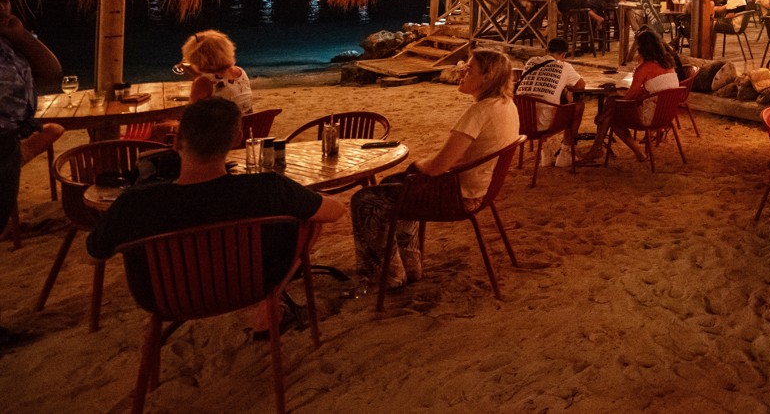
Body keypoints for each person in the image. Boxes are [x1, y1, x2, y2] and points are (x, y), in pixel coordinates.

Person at [86, 97, 346, 337]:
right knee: (308, 218)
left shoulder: (134, 203)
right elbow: (334, 212)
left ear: (176, 141)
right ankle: (269, 307)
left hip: (164, 301)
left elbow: (94, 254)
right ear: (236, 139)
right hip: (250, 288)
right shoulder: (267, 188)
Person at [351, 49, 519, 290]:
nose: (462, 72)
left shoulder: (480, 112)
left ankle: (388, 275)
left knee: (364, 200)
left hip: (457, 196)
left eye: (469, 69)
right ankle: (408, 265)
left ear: (487, 77)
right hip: (481, 190)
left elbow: (439, 166)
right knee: (392, 183)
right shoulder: (507, 105)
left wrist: (416, 165)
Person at [0, 0, 64, 351]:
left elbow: (52, 71)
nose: (1, 7)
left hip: (7, 144)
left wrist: (21, 35)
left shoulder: (11, 40)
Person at [586, 30, 681, 164]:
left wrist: (616, 96)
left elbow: (631, 97)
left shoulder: (645, 68)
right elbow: (650, 90)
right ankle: (597, 145)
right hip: (667, 115)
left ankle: (600, 144)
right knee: (612, 105)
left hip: (650, 117)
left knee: (611, 114)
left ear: (642, 48)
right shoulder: (668, 65)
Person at [515, 37, 586, 168]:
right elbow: (581, 85)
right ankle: (565, 153)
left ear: (547, 51)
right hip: (545, 123)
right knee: (578, 106)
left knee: (542, 103)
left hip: (521, 121)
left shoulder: (531, 61)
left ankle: (545, 152)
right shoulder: (564, 66)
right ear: (564, 54)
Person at [180, 30, 255, 115]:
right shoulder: (240, 72)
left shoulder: (203, 82)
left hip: (222, 124)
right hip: (246, 122)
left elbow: (192, 116)